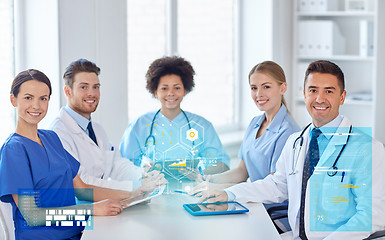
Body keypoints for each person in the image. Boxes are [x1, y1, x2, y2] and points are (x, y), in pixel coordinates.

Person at [198, 60, 385, 239]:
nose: (319, 98)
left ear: (342, 97)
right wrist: (230, 194)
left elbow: (372, 215)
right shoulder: (296, 141)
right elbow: (277, 185)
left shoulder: (368, 149)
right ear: (304, 94)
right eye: (313, 90)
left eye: (329, 91)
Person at [0, 70, 149, 240]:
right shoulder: (14, 150)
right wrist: (92, 209)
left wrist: (133, 194)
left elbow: (82, 189)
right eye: (28, 98)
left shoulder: (51, 138)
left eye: (43, 98)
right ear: (13, 100)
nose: (36, 105)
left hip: (76, 231)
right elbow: (32, 216)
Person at [50, 59, 166, 192]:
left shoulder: (97, 130)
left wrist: (143, 176)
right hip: (82, 208)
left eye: (96, 87)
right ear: (68, 91)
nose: (92, 93)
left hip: (105, 204)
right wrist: (134, 187)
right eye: (83, 87)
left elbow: (116, 165)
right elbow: (82, 183)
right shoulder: (58, 133)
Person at [190, 61, 299, 195]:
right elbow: (242, 171)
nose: (259, 94)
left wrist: (222, 189)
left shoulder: (288, 132)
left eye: (266, 87)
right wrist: (210, 180)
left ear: (282, 88)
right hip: (249, 198)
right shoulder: (255, 123)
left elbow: (273, 187)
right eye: (254, 88)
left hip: (268, 208)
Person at [120, 56, 230, 181]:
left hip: (193, 191)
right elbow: (124, 165)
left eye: (177, 88)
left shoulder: (202, 125)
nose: (171, 93)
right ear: (155, 92)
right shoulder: (139, 125)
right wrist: (142, 174)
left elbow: (221, 163)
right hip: (152, 191)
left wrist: (202, 175)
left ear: (185, 90)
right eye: (164, 88)